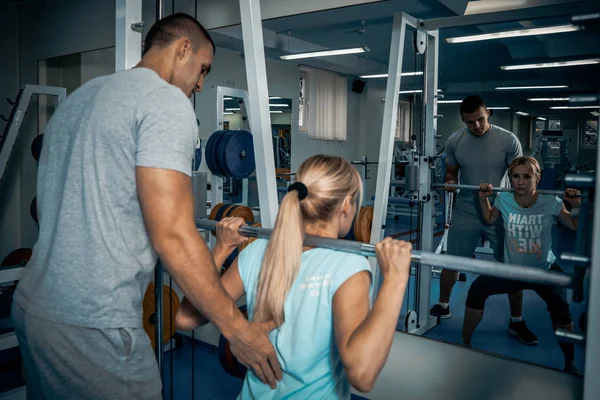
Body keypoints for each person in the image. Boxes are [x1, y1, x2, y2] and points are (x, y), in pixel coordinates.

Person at [11, 13, 281, 399]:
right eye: (202, 69)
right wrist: (238, 331)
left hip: (35, 309)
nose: (201, 83)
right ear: (182, 48)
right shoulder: (165, 102)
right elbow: (172, 233)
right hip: (93, 322)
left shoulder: (79, 101)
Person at [176, 154, 414, 398]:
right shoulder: (347, 265)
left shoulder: (256, 251)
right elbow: (362, 376)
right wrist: (395, 280)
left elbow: (185, 318)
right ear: (345, 205)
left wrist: (221, 249)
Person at [457, 156, 581, 375]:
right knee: (477, 290)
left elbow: (573, 225)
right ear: (511, 179)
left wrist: (576, 205)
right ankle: (464, 342)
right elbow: (489, 219)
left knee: (561, 312)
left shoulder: (551, 203)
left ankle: (570, 362)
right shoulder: (504, 200)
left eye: (527, 176)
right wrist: (483, 199)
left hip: (544, 270)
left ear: (537, 178)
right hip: (512, 270)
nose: (520, 182)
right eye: (516, 176)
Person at [430, 96, 538, 346]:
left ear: (488, 112)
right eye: (471, 122)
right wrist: (449, 181)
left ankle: (517, 320)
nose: (477, 125)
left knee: (510, 266)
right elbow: (451, 172)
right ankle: (444, 305)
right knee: (452, 260)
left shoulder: (508, 140)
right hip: (466, 209)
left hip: (499, 208)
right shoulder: (455, 140)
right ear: (463, 120)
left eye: (480, 119)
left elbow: (518, 178)